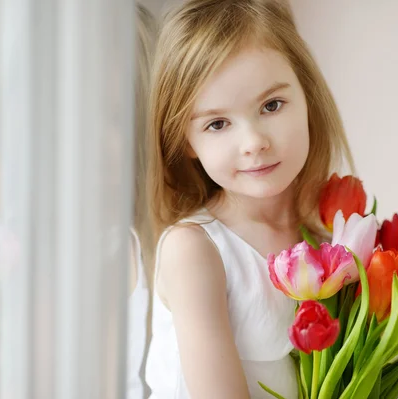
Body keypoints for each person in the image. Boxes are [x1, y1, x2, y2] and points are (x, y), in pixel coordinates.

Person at [144, 0, 355, 398]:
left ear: (308, 98)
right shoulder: (195, 249)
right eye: (218, 124)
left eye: (271, 105)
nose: (255, 142)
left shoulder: (328, 241)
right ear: (186, 141)